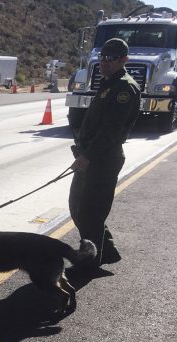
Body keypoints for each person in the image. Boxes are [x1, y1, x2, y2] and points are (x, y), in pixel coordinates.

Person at [69, 37, 140, 267]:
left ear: (124, 60)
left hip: (103, 158)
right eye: (102, 57)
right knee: (78, 207)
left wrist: (88, 156)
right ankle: (106, 251)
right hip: (90, 155)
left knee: (90, 212)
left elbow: (111, 131)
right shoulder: (108, 82)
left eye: (111, 59)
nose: (104, 62)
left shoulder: (124, 88)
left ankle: (88, 263)